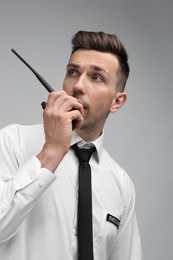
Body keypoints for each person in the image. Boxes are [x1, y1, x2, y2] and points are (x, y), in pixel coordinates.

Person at [0, 30, 142, 259]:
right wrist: (52, 150)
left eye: (96, 77)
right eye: (73, 72)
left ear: (117, 101)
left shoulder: (121, 184)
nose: (77, 86)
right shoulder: (11, 141)